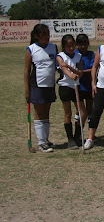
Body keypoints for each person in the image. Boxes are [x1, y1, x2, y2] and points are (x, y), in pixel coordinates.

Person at [24, 24, 58, 152]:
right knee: (39, 113)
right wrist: (27, 90)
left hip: (50, 85)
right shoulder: (31, 49)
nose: (47, 37)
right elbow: (27, 70)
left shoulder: (53, 47)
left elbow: (58, 64)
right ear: (37, 36)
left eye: (48, 34)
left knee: (46, 113)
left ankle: (45, 139)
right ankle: (41, 142)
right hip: (37, 85)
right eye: (44, 34)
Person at [56, 34, 87, 149]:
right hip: (65, 86)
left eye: (73, 45)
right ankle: (70, 139)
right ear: (64, 46)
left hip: (76, 86)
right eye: (68, 46)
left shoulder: (78, 56)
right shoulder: (60, 56)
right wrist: (70, 74)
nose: (71, 48)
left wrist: (72, 69)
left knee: (82, 112)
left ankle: (77, 135)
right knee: (67, 113)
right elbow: (63, 69)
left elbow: (80, 73)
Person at [75, 33, 94, 135]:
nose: (83, 46)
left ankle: (91, 133)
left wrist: (81, 72)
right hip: (78, 85)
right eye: (80, 44)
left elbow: (93, 68)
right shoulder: (75, 54)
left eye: (85, 44)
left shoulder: (91, 54)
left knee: (90, 109)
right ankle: (78, 132)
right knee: (80, 111)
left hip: (89, 85)